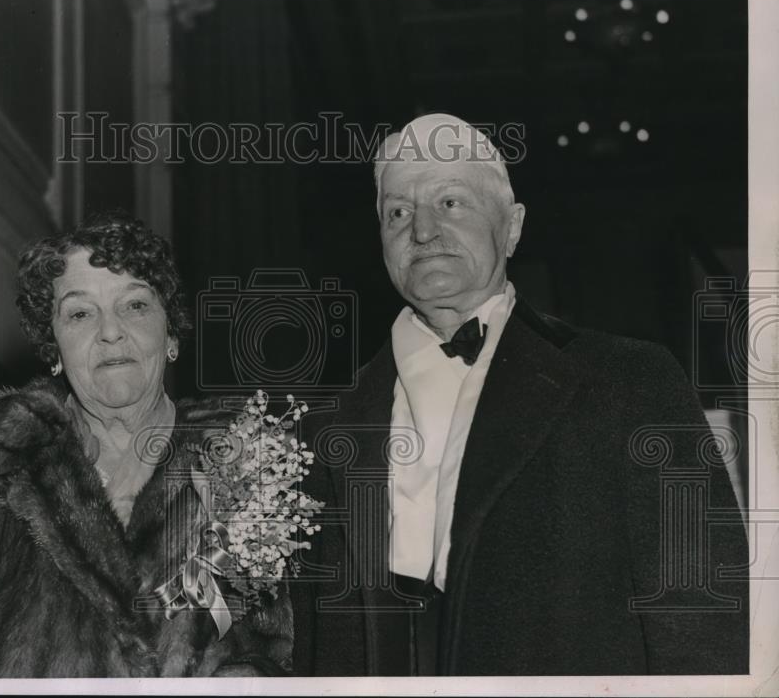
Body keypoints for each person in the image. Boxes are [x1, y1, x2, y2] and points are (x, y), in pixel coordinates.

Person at [291, 113, 748, 676]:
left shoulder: (629, 381)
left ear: (511, 227)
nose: (422, 231)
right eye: (398, 212)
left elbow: (701, 617)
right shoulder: (323, 425)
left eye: (451, 202)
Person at [0, 211, 292, 678]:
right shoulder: (0, 478)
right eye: (80, 313)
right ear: (54, 347)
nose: (110, 332)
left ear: (170, 332)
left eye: (135, 306)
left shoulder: (251, 465)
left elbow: (308, 649)